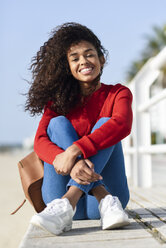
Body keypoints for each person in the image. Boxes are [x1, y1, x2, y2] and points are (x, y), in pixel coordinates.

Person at [25, 22, 133, 235]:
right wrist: (71, 163)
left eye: (89, 54)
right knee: (57, 124)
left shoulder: (118, 93)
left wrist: (74, 151)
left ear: (101, 60)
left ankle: (71, 202)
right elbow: (39, 141)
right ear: (68, 66)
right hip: (58, 192)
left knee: (106, 124)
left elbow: (122, 124)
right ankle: (71, 202)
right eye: (75, 58)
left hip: (103, 206)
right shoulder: (57, 102)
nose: (83, 61)